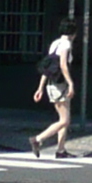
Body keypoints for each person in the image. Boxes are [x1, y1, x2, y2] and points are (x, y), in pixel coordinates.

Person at [29, 25, 75, 158]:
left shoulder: (55, 43)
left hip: (52, 84)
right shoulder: (66, 44)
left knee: (64, 118)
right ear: (73, 33)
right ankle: (38, 139)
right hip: (60, 85)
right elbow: (63, 65)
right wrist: (71, 83)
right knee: (64, 121)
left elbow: (48, 67)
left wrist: (40, 87)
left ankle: (61, 150)